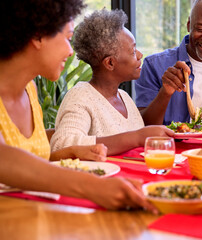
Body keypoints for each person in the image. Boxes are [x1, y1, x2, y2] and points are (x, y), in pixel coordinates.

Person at [0, 0, 156, 212]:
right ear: (38, 36)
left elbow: (30, 155)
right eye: (67, 38)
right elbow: (6, 159)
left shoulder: (29, 90)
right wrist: (94, 187)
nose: (70, 51)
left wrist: (69, 151)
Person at [50, 9, 174, 155]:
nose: (140, 55)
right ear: (110, 63)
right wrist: (135, 138)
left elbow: (140, 134)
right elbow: (61, 145)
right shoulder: (81, 96)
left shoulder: (124, 97)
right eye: (133, 51)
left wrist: (166, 92)